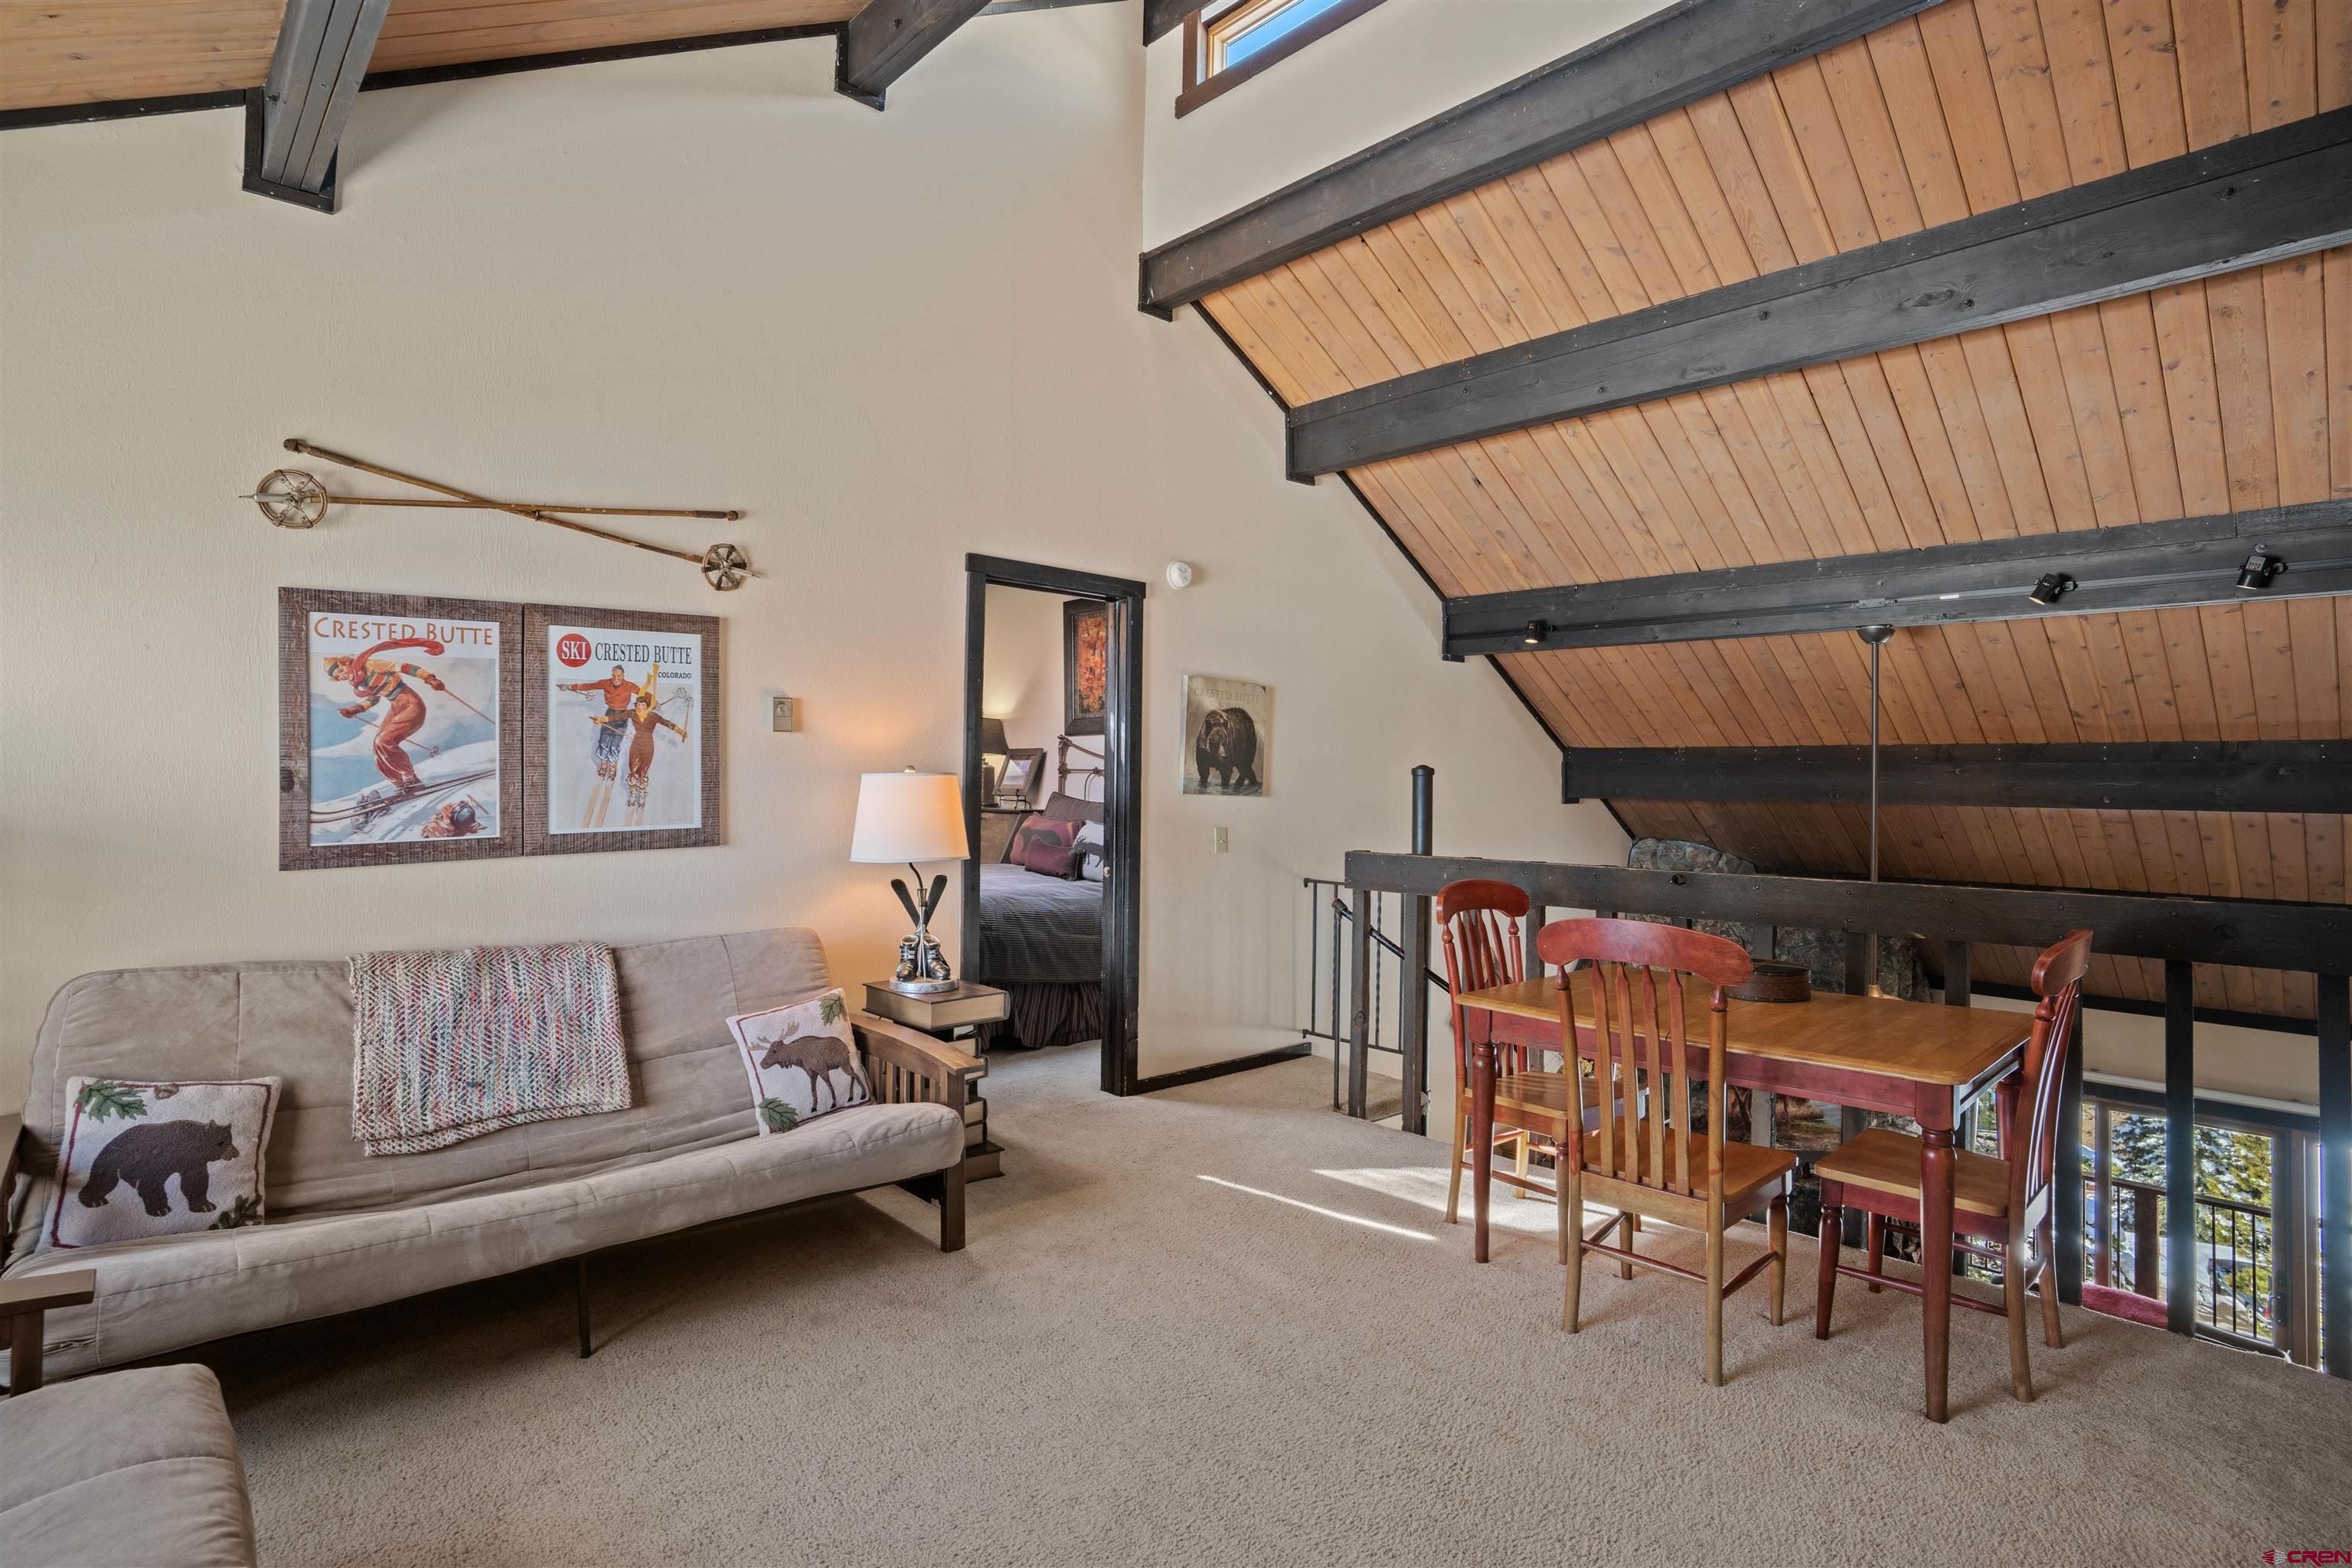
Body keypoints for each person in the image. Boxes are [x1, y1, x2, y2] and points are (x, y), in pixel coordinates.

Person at [325, 640, 449, 793]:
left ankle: (411, 779)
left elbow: (404, 667)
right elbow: (374, 698)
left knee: (383, 740)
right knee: (377, 746)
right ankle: (400, 783)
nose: (342, 677)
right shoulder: (360, 681)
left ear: (345, 663)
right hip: (396, 707)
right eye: (338, 677)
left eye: (341, 672)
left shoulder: (372, 665)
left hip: (411, 704)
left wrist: (429, 679)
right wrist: (355, 710)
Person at [563, 664, 640, 828]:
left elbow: (644, 694)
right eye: (614, 675)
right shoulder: (606, 683)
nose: (616, 678)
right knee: (604, 739)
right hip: (610, 713)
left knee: (616, 741)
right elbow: (588, 686)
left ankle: (612, 764)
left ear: (623, 676)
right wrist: (569, 686)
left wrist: (653, 703)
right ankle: (604, 762)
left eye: (619, 676)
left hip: (622, 715)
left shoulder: (630, 686)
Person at [622, 690, 687, 828]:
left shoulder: (653, 716)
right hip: (635, 743)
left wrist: (680, 731)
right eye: (638, 706)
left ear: (647, 707)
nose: (640, 708)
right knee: (632, 768)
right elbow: (617, 717)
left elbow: (667, 723)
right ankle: (633, 794)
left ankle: (642, 794)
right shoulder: (632, 714)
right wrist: (602, 720)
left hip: (648, 745)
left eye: (643, 706)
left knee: (643, 770)